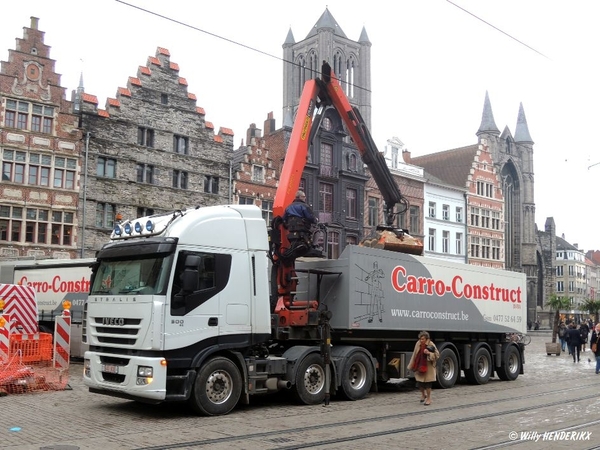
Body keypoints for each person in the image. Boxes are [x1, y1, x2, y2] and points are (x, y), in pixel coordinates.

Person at [407, 331, 440, 406]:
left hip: (428, 367)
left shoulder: (431, 344)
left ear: (426, 339)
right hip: (419, 365)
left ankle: (428, 398)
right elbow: (414, 354)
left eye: (422, 339)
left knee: (428, 384)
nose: (421, 340)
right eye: (420, 339)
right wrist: (412, 364)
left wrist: (429, 353)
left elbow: (437, 355)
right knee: (419, 384)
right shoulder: (418, 343)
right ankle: (423, 394)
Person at [282, 190, 318, 258]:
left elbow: (283, 219)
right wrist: (315, 220)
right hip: (303, 228)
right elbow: (310, 217)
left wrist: (287, 226)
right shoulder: (304, 206)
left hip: (291, 230)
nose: (305, 198)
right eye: (304, 197)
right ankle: (314, 246)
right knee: (317, 229)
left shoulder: (288, 207)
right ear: (300, 197)